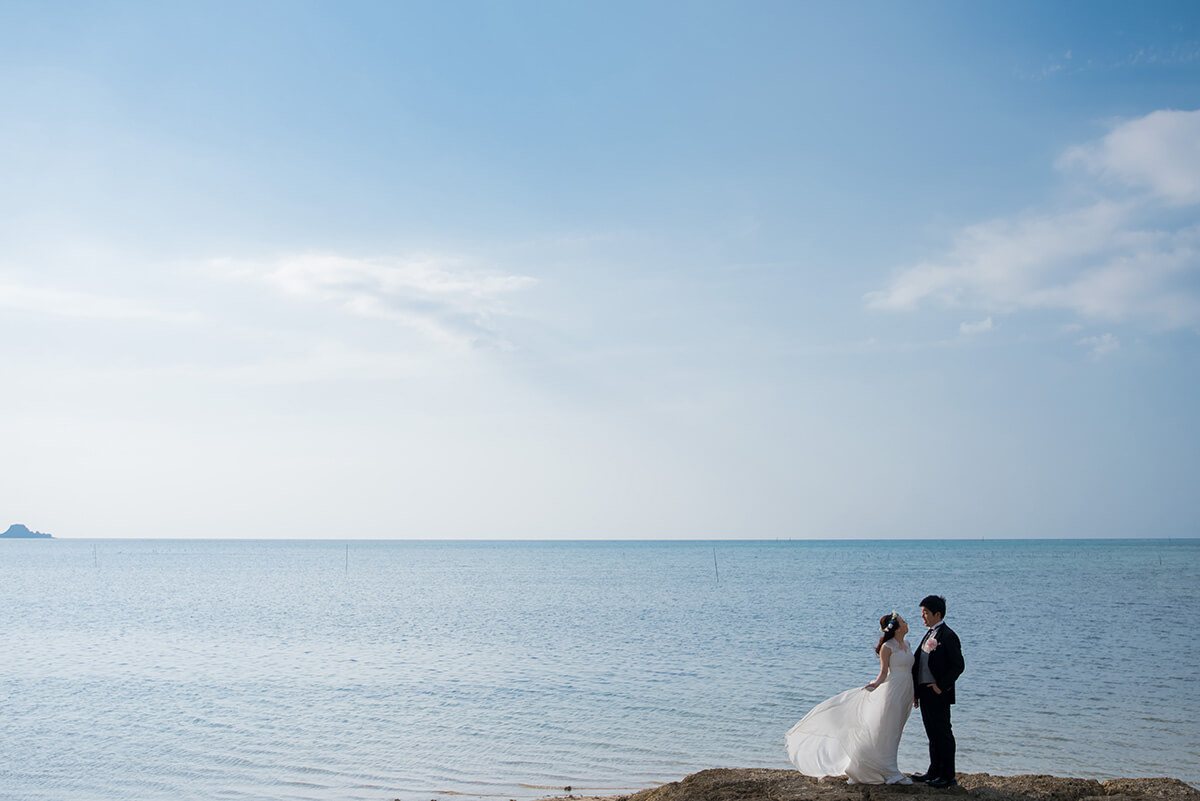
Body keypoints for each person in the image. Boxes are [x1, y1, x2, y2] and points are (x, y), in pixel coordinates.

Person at [785, 612, 915, 785]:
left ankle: (881, 768)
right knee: (888, 731)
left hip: (906, 692)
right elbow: (883, 673)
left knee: (896, 731)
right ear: (897, 628)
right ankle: (891, 772)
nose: (906, 623)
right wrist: (874, 685)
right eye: (903, 621)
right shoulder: (888, 647)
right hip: (892, 692)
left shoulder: (907, 644)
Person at [910, 595, 965, 789]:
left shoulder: (948, 635)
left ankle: (948, 775)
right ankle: (934, 771)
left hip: (938, 692)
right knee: (932, 733)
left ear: (937, 614)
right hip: (925, 692)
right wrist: (916, 692)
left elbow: (958, 665)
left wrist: (940, 686)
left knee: (943, 733)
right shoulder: (929, 634)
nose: (923, 617)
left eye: (925, 613)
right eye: (922, 613)